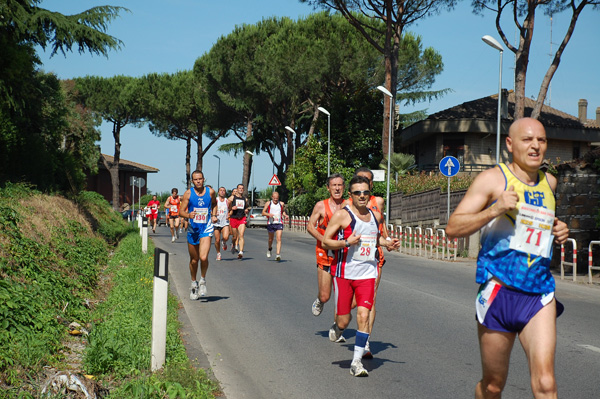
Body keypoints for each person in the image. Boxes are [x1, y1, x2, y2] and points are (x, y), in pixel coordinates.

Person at [445, 118, 569, 399]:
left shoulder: (549, 182)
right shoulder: (492, 179)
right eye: (528, 140)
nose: (536, 145)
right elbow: (453, 228)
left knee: (546, 384)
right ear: (510, 145)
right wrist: (494, 209)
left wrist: (559, 229)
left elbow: (539, 223)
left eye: (542, 140)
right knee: (492, 385)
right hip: (499, 293)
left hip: (539, 294)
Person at [322, 175, 400, 377]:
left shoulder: (376, 215)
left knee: (364, 315)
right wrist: (346, 243)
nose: (362, 196)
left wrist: (387, 243)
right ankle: (338, 329)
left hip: (367, 273)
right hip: (345, 274)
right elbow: (325, 242)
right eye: (358, 193)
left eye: (365, 192)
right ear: (351, 195)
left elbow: (376, 238)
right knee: (343, 321)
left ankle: (356, 362)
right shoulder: (342, 215)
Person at [351, 167, 391, 359]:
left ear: (371, 185)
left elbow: (381, 225)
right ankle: (341, 318)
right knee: (350, 304)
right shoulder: (348, 204)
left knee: (370, 298)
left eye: (366, 182)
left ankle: (365, 341)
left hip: (374, 255)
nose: (363, 191)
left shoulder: (379, 202)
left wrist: (388, 240)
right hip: (352, 258)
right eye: (359, 182)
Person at [307, 174, 346, 325]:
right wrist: (325, 241)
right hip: (325, 253)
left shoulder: (348, 205)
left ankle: (337, 327)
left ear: (344, 187)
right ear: (328, 188)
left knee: (342, 295)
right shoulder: (321, 206)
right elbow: (310, 227)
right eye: (334, 185)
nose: (337, 188)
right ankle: (319, 300)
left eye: (340, 185)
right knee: (325, 296)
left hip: (344, 254)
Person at [179, 170, 218, 300]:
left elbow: (214, 204)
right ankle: (193, 283)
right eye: (196, 179)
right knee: (194, 260)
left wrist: (213, 215)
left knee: (203, 257)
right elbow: (181, 212)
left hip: (206, 227)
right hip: (193, 229)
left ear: (204, 179)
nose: (198, 181)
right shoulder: (188, 194)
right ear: (192, 181)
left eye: (200, 179)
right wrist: (188, 215)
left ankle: (202, 281)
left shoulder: (210, 192)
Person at [262, 191, 288, 261]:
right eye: (274, 198)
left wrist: (285, 215)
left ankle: (278, 254)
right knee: (271, 239)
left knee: (279, 238)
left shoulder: (281, 204)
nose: (276, 200)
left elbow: (282, 211)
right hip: (271, 223)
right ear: (272, 197)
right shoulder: (268, 203)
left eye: (277, 198)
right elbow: (263, 212)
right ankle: (269, 248)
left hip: (279, 222)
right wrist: (269, 214)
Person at [228, 184, 249, 259]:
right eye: (239, 188)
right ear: (237, 189)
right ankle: (233, 243)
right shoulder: (232, 197)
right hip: (234, 218)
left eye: (242, 188)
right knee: (235, 236)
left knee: (241, 235)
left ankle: (241, 252)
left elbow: (246, 207)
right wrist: (231, 208)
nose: (241, 189)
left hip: (242, 218)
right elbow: (227, 204)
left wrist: (246, 210)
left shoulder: (245, 199)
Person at [213, 186, 231, 261]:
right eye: (221, 190)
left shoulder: (227, 201)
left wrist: (229, 214)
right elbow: (210, 209)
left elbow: (230, 209)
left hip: (225, 222)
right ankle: (218, 253)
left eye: (224, 190)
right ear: (218, 192)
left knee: (226, 237)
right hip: (216, 222)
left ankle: (223, 241)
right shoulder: (215, 200)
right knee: (217, 240)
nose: (222, 192)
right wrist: (213, 215)